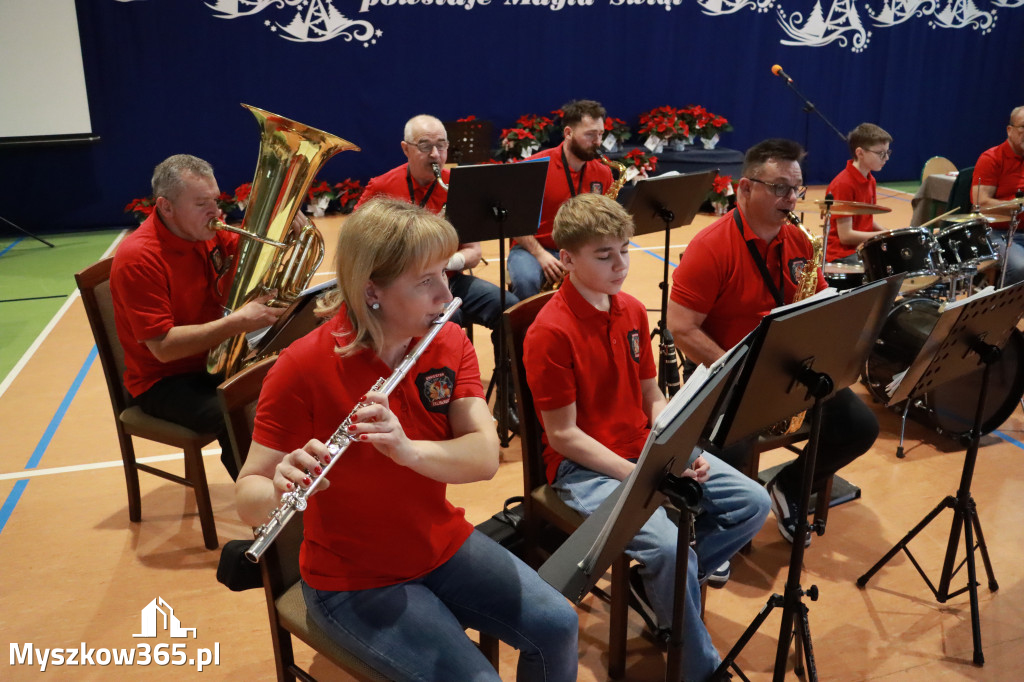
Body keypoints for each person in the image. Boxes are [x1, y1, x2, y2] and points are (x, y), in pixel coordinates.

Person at [235, 197, 578, 682]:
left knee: (558, 623)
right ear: (371, 290)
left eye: (445, 273)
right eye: (425, 281)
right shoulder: (301, 367)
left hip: (440, 544)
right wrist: (277, 488)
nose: (446, 293)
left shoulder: (447, 341)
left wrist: (406, 449)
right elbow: (248, 499)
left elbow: (482, 458)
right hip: (351, 581)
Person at [523, 193, 769, 681]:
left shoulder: (632, 310)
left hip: (642, 448)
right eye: (604, 254)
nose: (621, 264)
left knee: (753, 503)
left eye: (626, 249)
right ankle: (698, 668)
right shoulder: (549, 332)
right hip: (584, 469)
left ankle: (660, 591)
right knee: (672, 549)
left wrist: (674, 448)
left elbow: (653, 398)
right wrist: (644, 472)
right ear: (567, 259)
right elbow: (565, 436)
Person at [667, 139, 879, 546]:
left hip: (789, 365)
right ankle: (716, 528)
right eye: (780, 188)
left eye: (796, 188)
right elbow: (682, 328)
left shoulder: (798, 240)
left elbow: (816, 304)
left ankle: (790, 488)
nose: (791, 198)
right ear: (745, 188)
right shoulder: (710, 247)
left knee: (859, 426)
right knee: (732, 444)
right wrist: (743, 370)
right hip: (726, 369)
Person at [110, 154, 293, 479]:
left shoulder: (206, 232)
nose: (215, 212)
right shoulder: (138, 258)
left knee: (293, 383)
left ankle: (302, 493)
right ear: (166, 207)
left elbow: (258, 255)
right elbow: (163, 348)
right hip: (163, 382)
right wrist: (238, 322)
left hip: (216, 360)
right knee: (236, 414)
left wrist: (288, 228)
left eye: (215, 200)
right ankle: (267, 513)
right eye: (200, 204)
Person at [356, 114, 520, 427]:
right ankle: (442, 411)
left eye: (441, 147)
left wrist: (449, 263)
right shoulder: (381, 187)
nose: (435, 155)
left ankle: (507, 401)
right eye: (425, 146)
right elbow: (356, 244)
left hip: (450, 281)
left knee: (510, 310)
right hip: (405, 290)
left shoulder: (457, 186)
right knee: (449, 321)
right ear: (405, 149)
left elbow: (473, 252)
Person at [508, 99, 614, 299]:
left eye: (601, 134)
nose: (598, 142)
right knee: (526, 281)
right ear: (568, 133)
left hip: (581, 249)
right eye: (590, 135)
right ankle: (528, 330)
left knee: (610, 274)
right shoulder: (534, 167)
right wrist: (540, 255)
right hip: (532, 248)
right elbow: (514, 221)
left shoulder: (604, 173)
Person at [825, 123, 893, 263]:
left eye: (888, 152)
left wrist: (891, 233)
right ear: (860, 153)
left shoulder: (870, 180)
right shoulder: (843, 184)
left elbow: (867, 219)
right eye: (881, 153)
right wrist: (883, 235)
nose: (886, 158)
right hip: (842, 255)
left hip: (862, 248)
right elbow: (846, 236)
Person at [972, 105, 1024, 285]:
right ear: (1010, 130)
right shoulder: (992, 158)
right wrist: (1017, 205)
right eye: (1023, 127)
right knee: (1020, 267)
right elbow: (981, 204)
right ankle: (1002, 310)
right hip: (996, 233)